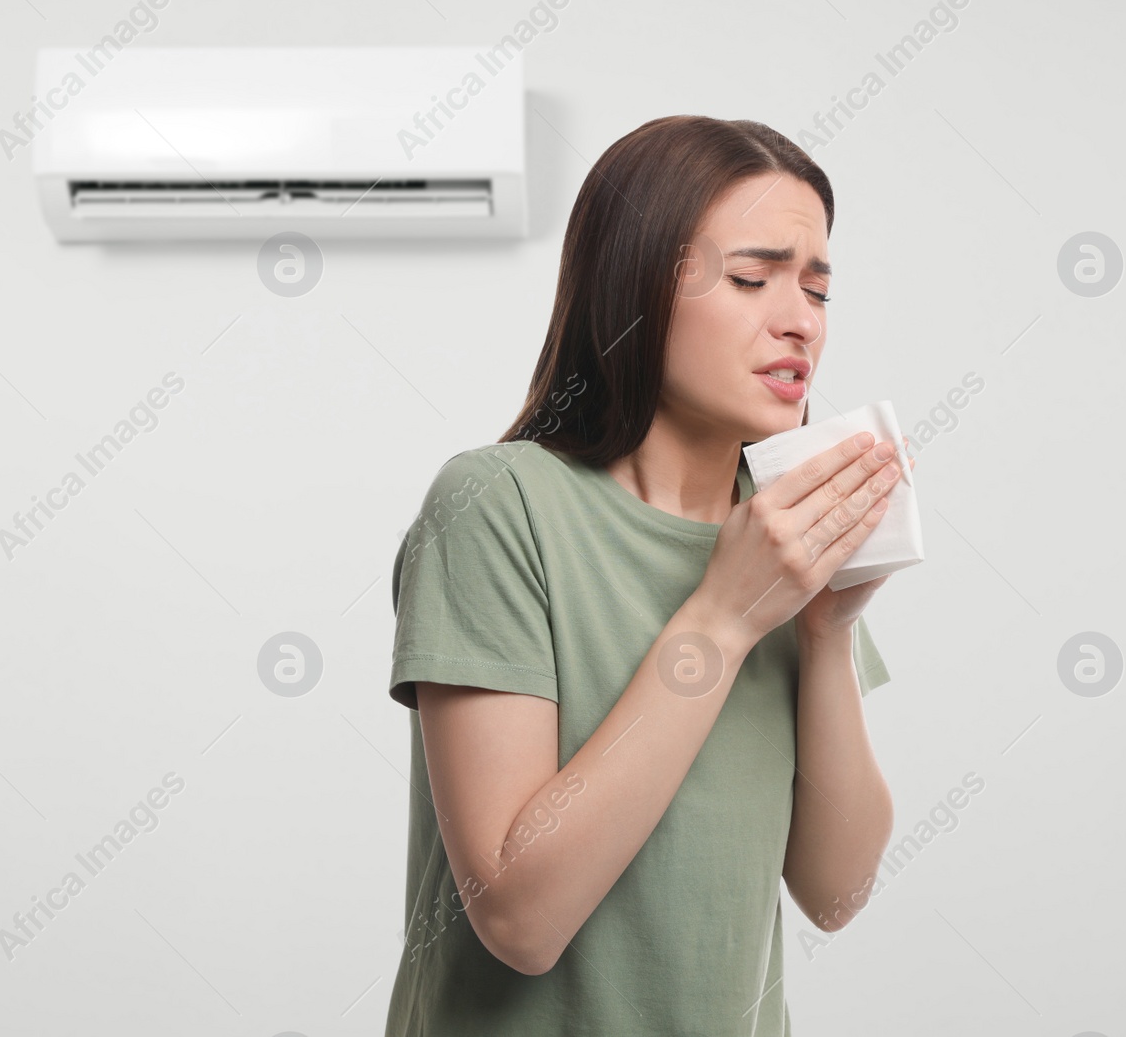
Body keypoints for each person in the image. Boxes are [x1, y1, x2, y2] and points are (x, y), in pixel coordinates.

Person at [384, 115, 912, 1036]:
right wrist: (722, 617)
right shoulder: (496, 507)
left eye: (818, 289)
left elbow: (836, 892)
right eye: (752, 278)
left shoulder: (778, 525)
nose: (798, 320)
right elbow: (519, 916)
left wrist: (825, 629)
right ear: (634, 289)